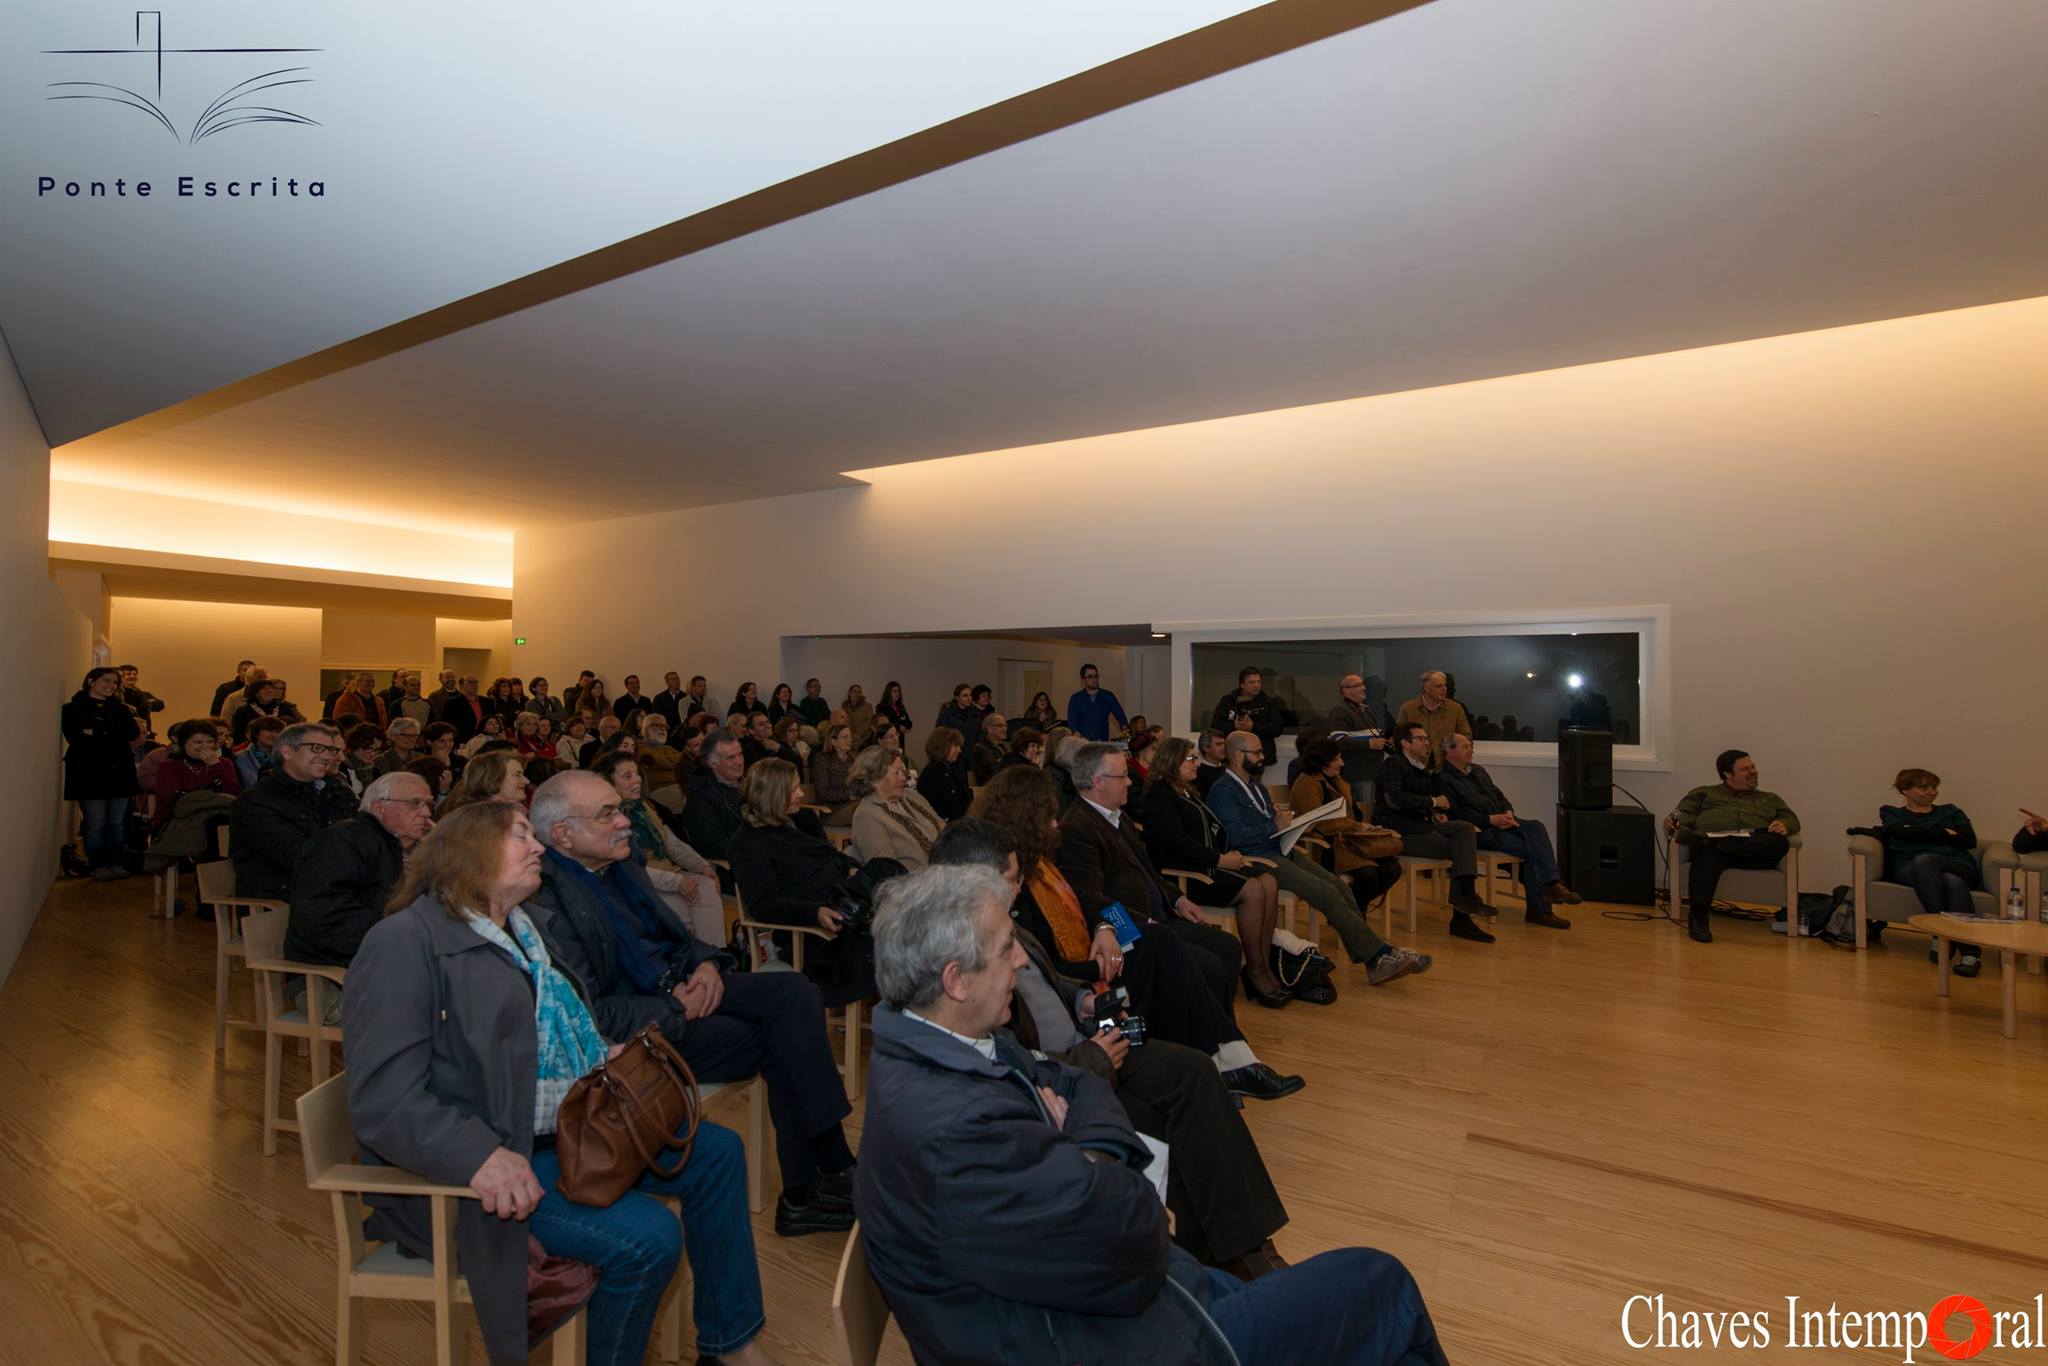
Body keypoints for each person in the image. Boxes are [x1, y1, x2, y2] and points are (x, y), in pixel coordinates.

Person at [855, 864, 1449, 1366]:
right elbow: (1138, 1237)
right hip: (1125, 1340)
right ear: (956, 981)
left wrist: (1078, 1144)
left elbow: (1073, 1085)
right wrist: (1096, 1159)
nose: (1019, 962)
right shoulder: (960, 1126)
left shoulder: (948, 1043)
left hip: (1126, 1308)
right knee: (1383, 1282)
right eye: (1005, 947)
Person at [342, 801, 778, 1366]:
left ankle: (730, 1344)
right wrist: (479, 1156)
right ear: (469, 853)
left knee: (717, 1153)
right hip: (479, 1163)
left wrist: (603, 1058)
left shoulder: (527, 930)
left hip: (557, 1128)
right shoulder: (404, 942)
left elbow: (555, 1036)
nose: (538, 848)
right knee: (647, 1239)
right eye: (521, 836)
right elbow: (383, 1098)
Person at [931, 820, 1292, 1277]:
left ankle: (1248, 1248)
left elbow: (1123, 896)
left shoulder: (1094, 844)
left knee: (1196, 1063)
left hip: (1098, 1004)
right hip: (1075, 1050)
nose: (1055, 821)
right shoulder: (973, 952)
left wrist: (1086, 992)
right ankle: (1208, 1265)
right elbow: (1014, 1063)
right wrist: (1113, 930)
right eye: (1012, 877)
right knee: (1170, 963)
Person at [526, 770, 859, 1237]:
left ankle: (821, 1180)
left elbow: (678, 938)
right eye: (608, 813)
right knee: (782, 1036)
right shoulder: (547, 903)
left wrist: (706, 965)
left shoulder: (621, 866)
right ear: (563, 834)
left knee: (796, 992)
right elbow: (593, 1015)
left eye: (620, 809)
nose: (625, 821)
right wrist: (676, 1009)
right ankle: (815, 1184)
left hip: (680, 987)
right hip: (643, 1030)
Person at [1054, 746, 1302, 1100]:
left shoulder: (1117, 817)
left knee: (1227, 948)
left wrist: (1177, 898)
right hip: (1132, 931)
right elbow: (1091, 900)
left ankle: (1222, 1054)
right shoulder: (1078, 828)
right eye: (1122, 776)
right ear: (1097, 782)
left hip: (1161, 917)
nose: (1129, 782)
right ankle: (1225, 1061)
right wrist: (1144, 922)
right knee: (1206, 964)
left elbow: (1151, 873)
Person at [1208, 731, 1428, 982]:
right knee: (1327, 893)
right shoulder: (1223, 790)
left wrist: (1291, 825)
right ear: (1238, 755)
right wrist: (1274, 826)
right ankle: (1378, 955)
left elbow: (1269, 823)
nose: (1262, 756)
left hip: (1281, 849)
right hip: (1257, 859)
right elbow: (1234, 837)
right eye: (1256, 752)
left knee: (1339, 887)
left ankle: (1374, 956)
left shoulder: (1255, 786)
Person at [1138, 738, 1288, 1005]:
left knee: (1269, 881)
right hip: (1184, 876)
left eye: (1196, 757)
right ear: (1172, 762)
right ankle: (1255, 971)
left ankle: (1263, 965)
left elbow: (1209, 833)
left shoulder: (1186, 791)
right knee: (1254, 889)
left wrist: (1229, 856)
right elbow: (1178, 844)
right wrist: (1220, 860)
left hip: (1206, 865)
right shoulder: (1159, 797)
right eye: (1190, 758)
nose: (1196, 763)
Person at [728, 758, 890, 1006]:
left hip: (846, 903)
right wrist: (815, 913)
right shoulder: (747, 843)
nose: (801, 794)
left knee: (892, 882)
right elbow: (764, 906)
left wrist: (850, 867)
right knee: (897, 936)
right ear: (773, 795)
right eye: (793, 789)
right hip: (813, 932)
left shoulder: (803, 818)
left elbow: (831, 855)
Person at [285, 770, 433, 980]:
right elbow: (322, 916)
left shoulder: (417, 846)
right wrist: (407, 930)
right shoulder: (344, 841)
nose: (426, 813)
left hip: (389, 954)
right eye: (414, 804)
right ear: (379, 808)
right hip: (335, 970)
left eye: (428, 804)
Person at [1439, 734, 1576, 929]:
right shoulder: (1442, 778)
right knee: (1532, 851)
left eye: (1471, 746)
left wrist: (1507, 812)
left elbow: (1499, 795)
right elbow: (1454, 814)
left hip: (1502, 820)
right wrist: (1490, 819)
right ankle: (1541, 908)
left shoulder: (1478, 770)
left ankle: (1551, 884)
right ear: (1449, 751)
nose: (1471, 750)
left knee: (1536, 827)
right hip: (1478, 830)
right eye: (1465, 747)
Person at [1375, 723, 1496, 942]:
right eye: (1420, 739)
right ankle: (1462, 916)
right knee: (1460, 850)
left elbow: (1424, 803)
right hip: (1399, 830)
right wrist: (1433, 802)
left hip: (1422, 825)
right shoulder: (1392, 764)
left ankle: (1466, 897)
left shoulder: (1422, 767)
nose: (1426, 743)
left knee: (1464, 829)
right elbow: (1396, 800)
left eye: (1426, 739)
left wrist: (1435, 813)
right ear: (1405, 743)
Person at [588, 751, 724, 944]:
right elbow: (627, 868)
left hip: (669, 874)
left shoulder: (643, 807)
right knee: (690, 913)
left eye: (637, 773)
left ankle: (714, 955)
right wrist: (675, 882)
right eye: (628, 776)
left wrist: (703, 866)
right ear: (609, 783)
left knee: (706, 885)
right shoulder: (605, 818)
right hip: (640, 884)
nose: (637, 780)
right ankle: (705, 953)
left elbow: (671, 843)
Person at [1665, 749, 1799, 944]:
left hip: (1753, 854)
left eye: (1753, 767)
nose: (1753, 771)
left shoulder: (1769, 798)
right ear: (1727, 774)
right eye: (1745, 769)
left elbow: (1791, 818)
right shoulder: (1703, 794)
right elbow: (1682, 817)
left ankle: (1719, 842)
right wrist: (1671, 822)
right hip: (1716, 855)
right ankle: (1699, 917)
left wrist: (1785, 824)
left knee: (1779, 842)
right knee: (1706, 854)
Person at [229, 722, 359, 902]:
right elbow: (299, 855)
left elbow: (366, 833)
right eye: (317, 748)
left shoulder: (336, 790)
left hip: (335, 888)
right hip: (283, 899)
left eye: (331, 750)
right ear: (287, 751)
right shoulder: (255, 801)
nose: (327, 756)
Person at [1871, 768, 1982, 974]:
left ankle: (1939, 933)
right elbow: (1900, 833)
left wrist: (1916, 832)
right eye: (1924, 787)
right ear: (1905, 790)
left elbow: (1969, 840)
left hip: (1957, 863)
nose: (1932, 792)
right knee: (1950, 881)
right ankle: (1970, 953)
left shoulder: (1951, 811)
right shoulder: (1891, 812)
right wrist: (1943, 833)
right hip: (1907, 867)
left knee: (1927, 861)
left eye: (1934, 787)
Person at [1285, 737, 1404, 913]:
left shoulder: (1338, 780)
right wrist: (1356, 826)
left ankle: (1348, 910)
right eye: (1337, 759)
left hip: (1350, 841)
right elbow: (1321, 822)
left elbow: (1353, 814)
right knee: (1368, 874)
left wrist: (1360, 826)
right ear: (1321, 762)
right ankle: (1353, 915)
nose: (1342, 763)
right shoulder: (1305, 784)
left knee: (1392, 869)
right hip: (1325, 846)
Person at [851, 745, 945, 871]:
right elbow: (887, 872)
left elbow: (943, 828)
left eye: (902, 771)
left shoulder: (911, 796)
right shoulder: (867, 816)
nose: (903, 778)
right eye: (896, 773)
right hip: (915, 880)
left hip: (945, 868)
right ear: (875, 779)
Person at [151, 716, 241, 833]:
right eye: (198, 742)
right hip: (177, 824)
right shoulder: (168, 766)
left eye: (210, 742)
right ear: (184, 743)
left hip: (218, 823)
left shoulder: (224, 763)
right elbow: (171, 801)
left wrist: (216, 766)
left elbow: (234, 794)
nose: (205, 746)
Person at [1324, 673, 1389, 812]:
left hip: (1373, 772)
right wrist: (1369, 744)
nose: (1363, 688)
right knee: (1363, 810)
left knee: (1371, 808)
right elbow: (1338, 740)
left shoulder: (1367, 709)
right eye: (1358, 685)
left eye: (1362, 684)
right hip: (1357, 773)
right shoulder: (1340, 711)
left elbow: (1373, 734)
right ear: (1345, 690)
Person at [682, 734, 747, 865]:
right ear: (712, 763)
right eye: (731, 758)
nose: (739, 762)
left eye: (740, 755)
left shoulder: (747, 783)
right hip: (736, 861)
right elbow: (713, 845)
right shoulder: (700, 796)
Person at [1209, 667, 1294, 762]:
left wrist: (1253, 727)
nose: (1256, 685)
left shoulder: (1268, 702)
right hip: (1233, 756)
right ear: (1242, 684)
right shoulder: (1228, 701)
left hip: (1260, 756)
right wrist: (1234, 725)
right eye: (1252, 682)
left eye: (1259, 682)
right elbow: (1215, 726)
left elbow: (1277, 728)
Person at [1394, 671, 1472, 768]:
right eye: (1439, 686)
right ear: (1426, 688)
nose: (1444, 689)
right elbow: (1398, 737)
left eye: (1445, 685)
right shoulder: (1408, 708)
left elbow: (1466, 737)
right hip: (1415, 766)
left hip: (1446, 766)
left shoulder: (1455, 709)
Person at [439, 749, 531, 817]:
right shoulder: (479, 821)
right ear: (492, 778)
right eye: (517, 775)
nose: (526, 781)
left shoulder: (512, 812)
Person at [915, 726, 974, 821]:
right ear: (943, 747)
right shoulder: (930, 774)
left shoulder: (955, 768)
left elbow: (965, 798)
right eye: (956, 746)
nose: (959, 750)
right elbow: (943, 809)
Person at [1064, 661, 1127, 741]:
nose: (1094, 679)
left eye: (1096, 676)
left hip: (1102, 742)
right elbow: (1072, 721)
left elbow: (1120, 714)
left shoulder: (1107, 696)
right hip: (1082, 742)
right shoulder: (1075, 698)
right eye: (1090, 677)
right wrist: (1076, 733)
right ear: (1083, 680)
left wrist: (1125, 728)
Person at [808, 722, 857, 821]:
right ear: (833, 741)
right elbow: (823, 792)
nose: (849, 740)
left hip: (851, 805)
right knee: (864, 808)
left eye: (850, 737)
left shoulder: (853, 759)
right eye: (845, 737)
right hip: (831, 810)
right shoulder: (822, 759)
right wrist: (849, 795)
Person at [234, 714, 286, 789]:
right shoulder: (240, 757)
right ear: (256, 733)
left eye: (277, 731)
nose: (274, 734)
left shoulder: (286, 757)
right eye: (269, 730)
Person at [442, 675, 489, 744]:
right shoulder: (453, 703)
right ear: (461, 686)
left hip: (484, 740)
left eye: (476, 682)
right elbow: (448, 725)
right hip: (463, 741)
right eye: (470, 682)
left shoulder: (486, 701)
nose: (474, 685)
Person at [935, 683, 982, 751]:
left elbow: (979, 737)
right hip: (953, 752)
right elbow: (940, 735)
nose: (969, 698)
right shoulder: (947, 713)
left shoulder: (975, 713)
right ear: (957, 697)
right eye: (965, 696)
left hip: (971, 753)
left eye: (970, 695)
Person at [967, 711, 1008, 785]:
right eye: (1000, 726)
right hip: (993, 787)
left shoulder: (1007, 747)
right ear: (989, 729)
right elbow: (992, 773)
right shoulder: (980, 749)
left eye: (1006, 726)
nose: (1005, 729)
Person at [1193, 728, 1230, 797]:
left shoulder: (1228, 769)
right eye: (1218, 744)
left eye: (1224, 743)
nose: (1224, 747)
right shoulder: (1198, 772)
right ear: (1206, 748)